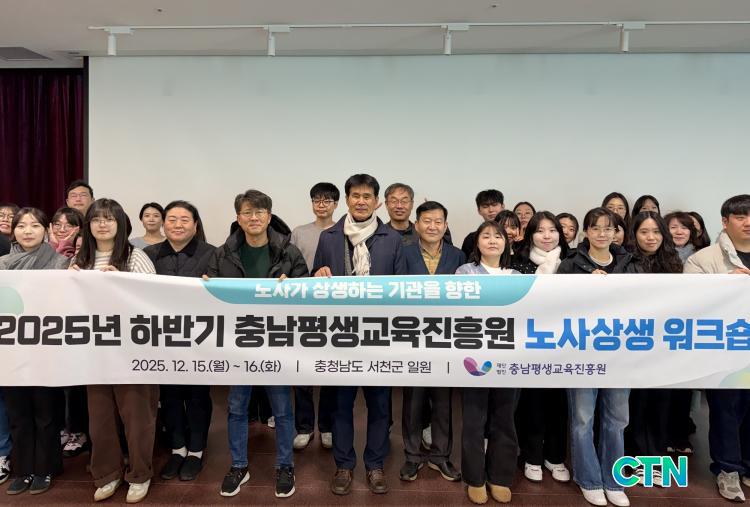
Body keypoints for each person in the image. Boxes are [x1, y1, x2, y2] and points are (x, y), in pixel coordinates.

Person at [207, 189, 307, 499]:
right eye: (247, 212)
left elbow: (306, 292)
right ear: (238, 218)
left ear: (269, 216)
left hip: (277, 342)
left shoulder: (288, 252)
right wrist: (204, 286)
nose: (254, 218)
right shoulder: (223, 254)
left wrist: (294, 287)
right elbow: (207, 295)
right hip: (239, 342)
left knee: (282, 408)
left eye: (259, 212)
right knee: (237, 407)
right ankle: (239, 465)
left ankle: (285, 466)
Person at [313, 174, 406, 496]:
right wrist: (317, 274)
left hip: (380, 337)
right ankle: (344, 465)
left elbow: (402, 289)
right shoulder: (329, 237)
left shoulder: (392, 239)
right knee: (341, 405)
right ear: (347, 200)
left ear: (377, 202)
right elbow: (314, 281)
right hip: (341, 336)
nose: (361, 201)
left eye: (367, 196)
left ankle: (375, 465)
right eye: (355, 195)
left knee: (380, 405)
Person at [70, 198, 158, 504]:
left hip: (133, 352)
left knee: (137, 417)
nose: (102, 224)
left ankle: (140, 474)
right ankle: (107, 473)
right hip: (94, 351)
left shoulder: (135, 256)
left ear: (120, 224)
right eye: (96, 219)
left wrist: (121, 283)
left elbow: (154, 301)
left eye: (109, 219)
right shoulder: (80, 260)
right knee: (100, 419)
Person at [557, 207, 634, 507]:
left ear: (616, 232)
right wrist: (586, 287)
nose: (602, 233)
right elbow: (556, 306)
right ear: (586, 232)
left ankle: (614, 480)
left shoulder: (630, 264)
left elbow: (644, 302)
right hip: (581, 352)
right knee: (582, 418)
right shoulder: (570, 265)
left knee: (617, 419)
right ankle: (589, 479)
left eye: (608, 228)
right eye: (596, 228)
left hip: (621, 353)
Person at [684, 194, 750, 502]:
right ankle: (728, 469)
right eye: (740, 216)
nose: (748, 222)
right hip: (724, 349)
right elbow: (689, 302)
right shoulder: (703, 259)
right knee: (726, 410)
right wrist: (724, 284)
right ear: (725, 222)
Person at [143, 201, 215, 482]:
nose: (177, 224)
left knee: (197, 395)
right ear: (163, 224)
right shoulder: (148, 255)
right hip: (162, 338)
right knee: (169, 395)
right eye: (171, 219)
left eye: (185, 219)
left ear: (195, 225)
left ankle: (196, 450)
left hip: (200, 338)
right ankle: (177, 448)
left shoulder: (213, 254)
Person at [0, 207, 69, 495]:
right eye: (21, 225)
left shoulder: (61, 264)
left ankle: (45, 469)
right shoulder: (3, 265)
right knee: (18, 413)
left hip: (45, 348)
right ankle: (23, 469)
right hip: (11, 350)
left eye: (35, 225)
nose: (27, 231)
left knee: (46, 412)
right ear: (13, 231)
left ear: (46, 230)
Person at [399, 201, 465, 484]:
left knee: (443, 401)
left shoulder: (458, 255)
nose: (433, 226)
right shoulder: (403, 253)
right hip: (412, 337)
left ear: (445, 226)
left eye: (438, 221)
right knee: (412, 401)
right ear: (417, 225)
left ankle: (441, 456)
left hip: (445, 338)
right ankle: (412, 456)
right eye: (427, 221)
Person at [456, 221, 519, 504]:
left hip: (508, 357)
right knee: (474, 418)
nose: (492, 240)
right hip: (474, 357)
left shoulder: (517, 276)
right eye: (486, 236)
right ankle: (475, 478)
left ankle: (500, 477)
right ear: (477, 242)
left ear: (506, 242)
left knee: (504, 418)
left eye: (498, 236)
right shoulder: (465, 272)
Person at [509, 212, 570, 485]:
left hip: (565, 344)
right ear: (530, 234)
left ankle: (555, 457)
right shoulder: (518, 263)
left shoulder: (571, 262)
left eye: (552, 230)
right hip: (530, 343)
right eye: (540, 230)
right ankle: (532, 456)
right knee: (531, 403)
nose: (547, 236)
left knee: (558, 403)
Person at [624, 212, 683, 487]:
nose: (651, 237)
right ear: (634, 234)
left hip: (665, 347)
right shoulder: (626, 263)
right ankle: (634, 462)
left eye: (656, 232)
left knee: (661, 405)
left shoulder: (674, 262)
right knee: (637, 406)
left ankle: (656, 462)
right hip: (634, 347)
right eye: (644, 232)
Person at [289, 182, 339, 451]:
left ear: (336, 204)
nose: (321, 205)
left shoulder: (342, 231)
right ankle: (304, 427)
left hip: (332, 310)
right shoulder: (299, 232)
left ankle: (327, 426)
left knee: (329, 370)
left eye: (327, 200)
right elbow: (288, 265)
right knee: (302, 371)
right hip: (303, 308)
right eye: (316, 200)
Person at [461, 190, 505, 258]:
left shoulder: (513, 235)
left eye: (494, 205)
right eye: (485, 206)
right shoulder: (471, 239)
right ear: (479, 210)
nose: (491, 210)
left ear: (502, 207)